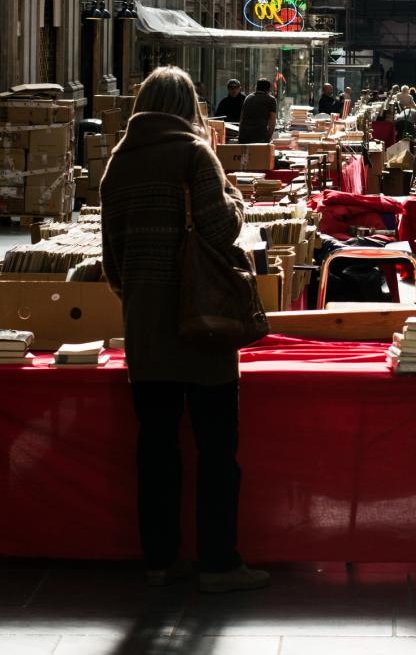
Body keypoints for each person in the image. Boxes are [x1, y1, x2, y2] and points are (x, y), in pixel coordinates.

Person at [100, 66, 269, 593]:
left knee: (156, 450)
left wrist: (145, 299)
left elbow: (113, 264)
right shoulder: (196, 154)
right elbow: (221, 231)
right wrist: (236, 198)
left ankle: (159, 560)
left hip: (147, 331)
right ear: (188, 105)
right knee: (217, 451)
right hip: (205, 326)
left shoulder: (117, 165)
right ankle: (218, 564)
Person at [239, 78, 277, 143]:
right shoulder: (271, 100)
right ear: (268, 89)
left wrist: (240, 135)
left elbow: (241, 119)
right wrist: (268, 138)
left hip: (244, 136)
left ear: (256, 87)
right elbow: (272, 122)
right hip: (260, 137)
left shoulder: (248, 98)